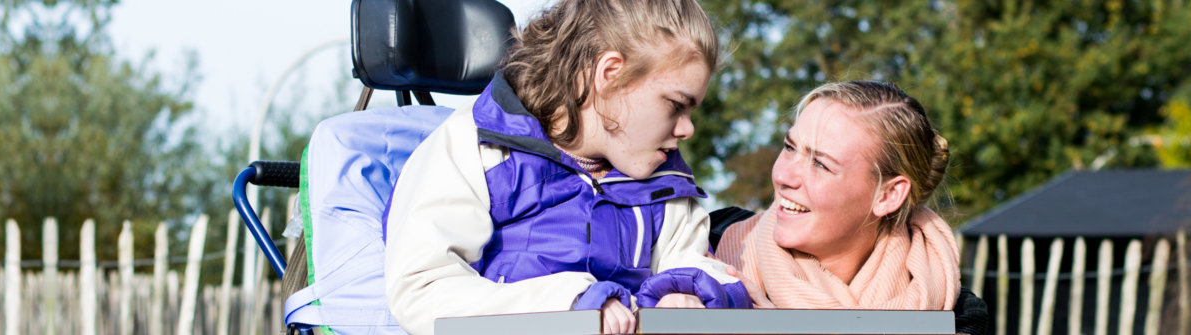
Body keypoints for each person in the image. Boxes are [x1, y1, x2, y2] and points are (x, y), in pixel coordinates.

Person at [381, 1, 745, 334]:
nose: (687, 129)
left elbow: (700, 267)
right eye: (676, 105)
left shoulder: (666, 184)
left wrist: (688, 294)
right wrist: (569, 306)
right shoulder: (474, 148)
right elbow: (422, 292)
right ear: (611, 73)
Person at [713, 81, 963, 311]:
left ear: (888, 195)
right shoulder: (700, 247)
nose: (783, 177)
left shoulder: (953, 312)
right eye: (789, 147)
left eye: (821, 164)